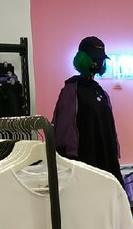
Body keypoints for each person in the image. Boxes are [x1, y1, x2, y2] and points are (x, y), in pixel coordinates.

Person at [52, 36, 123, 184]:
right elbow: (65, 127)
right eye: (94, 58)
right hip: (84, 159)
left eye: (100, 59)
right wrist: (68, 158)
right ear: (84, 59)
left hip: (106, 159)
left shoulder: (101, 92)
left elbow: (109, 128)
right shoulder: (72, 90)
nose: (98, 62)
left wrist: (114, 151)